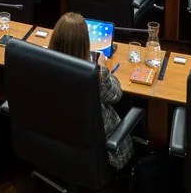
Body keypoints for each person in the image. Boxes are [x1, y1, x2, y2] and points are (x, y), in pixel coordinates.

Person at [47, 12, 132, 170]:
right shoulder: (91, 75)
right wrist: (103, 69)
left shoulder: (41, 64)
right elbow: (116, 95)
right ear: (85, 44)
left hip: (53, 144)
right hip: (96, 154)